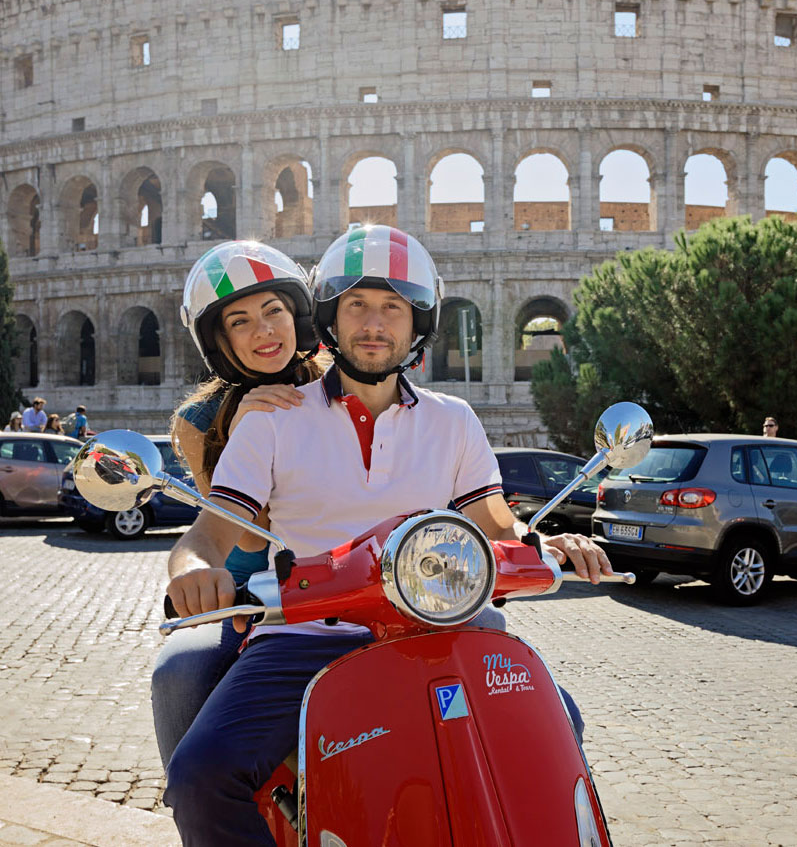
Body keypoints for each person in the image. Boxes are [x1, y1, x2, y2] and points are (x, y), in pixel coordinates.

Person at [163, 225, 611, 845]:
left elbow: (496, 523)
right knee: (201, 773)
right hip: (305, 632)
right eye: (357, 306)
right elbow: (209, 533)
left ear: (417, 325)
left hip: (442, 621)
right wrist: (190, 570)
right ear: (329, 319)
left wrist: (550, 544)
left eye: (393, 307)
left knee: (561, 723)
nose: (374, 324)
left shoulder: (454, 419)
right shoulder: (271, 421)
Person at [152, 240, 331, 769]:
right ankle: (197, 807)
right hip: (259, 594)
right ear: (220, 340)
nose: (264, 331)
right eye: (240, 321)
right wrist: (244, 431)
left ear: (297, 316)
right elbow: (247, 537)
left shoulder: (340, 386)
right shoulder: (201, 421)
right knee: (178, 672)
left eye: (274, 310)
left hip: (352, 582)